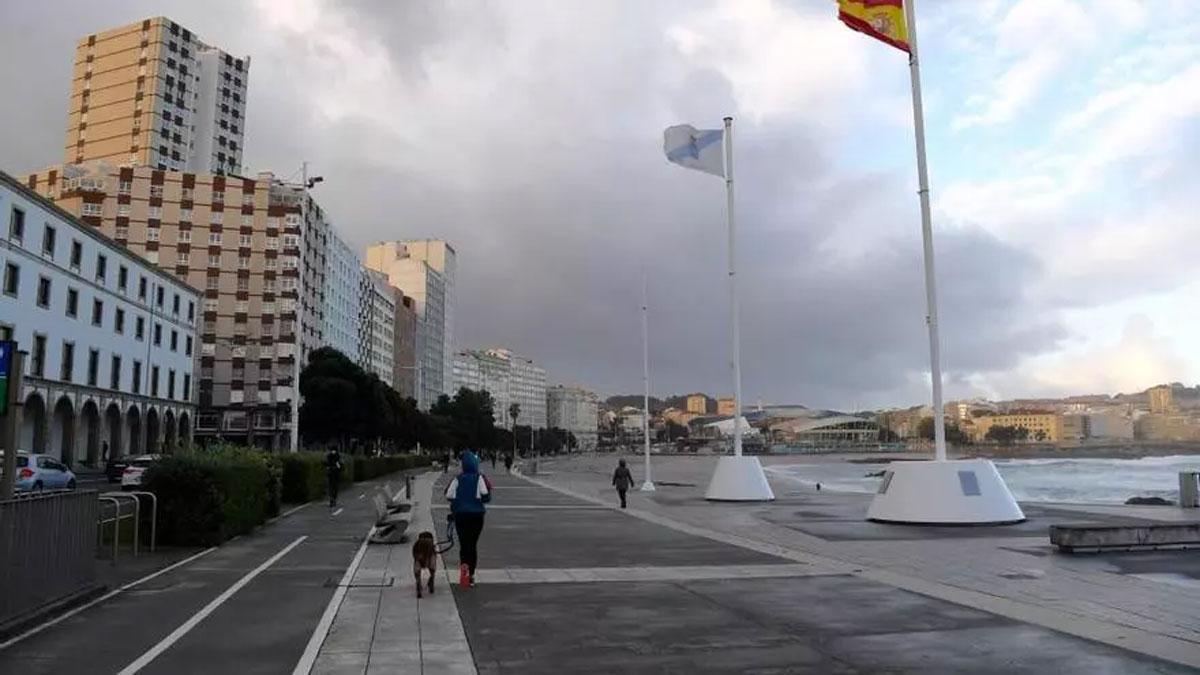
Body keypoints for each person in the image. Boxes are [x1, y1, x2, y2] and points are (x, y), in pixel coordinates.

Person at [445, 451, 490, 587]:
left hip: (461, 515)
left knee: (464, 545)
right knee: (472, 545)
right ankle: (471, 576)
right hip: (476, 516)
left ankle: (463, 573)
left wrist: (460, 500)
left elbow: (449, 495)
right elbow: (485, 494)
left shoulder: (457, 479)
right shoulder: (479, 478)